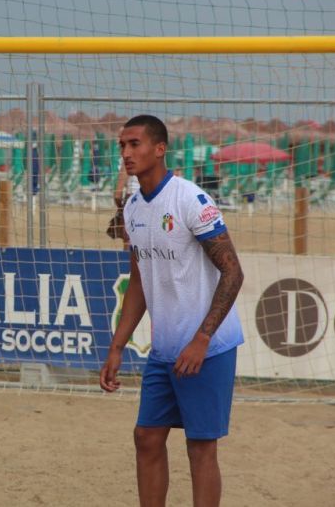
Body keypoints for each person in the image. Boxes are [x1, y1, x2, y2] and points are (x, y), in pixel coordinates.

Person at [99, 115, 244, 507]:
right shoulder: (132, 208)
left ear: (159, 149)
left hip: (207, 348)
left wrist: (202, 338)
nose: (126, 153)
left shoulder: (190, 199)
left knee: (200, 448)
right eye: (122, 146)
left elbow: (233, 272)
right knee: (145, 437)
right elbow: (139, 283)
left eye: (134, 144)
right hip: (165, 351)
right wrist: (117, 346)